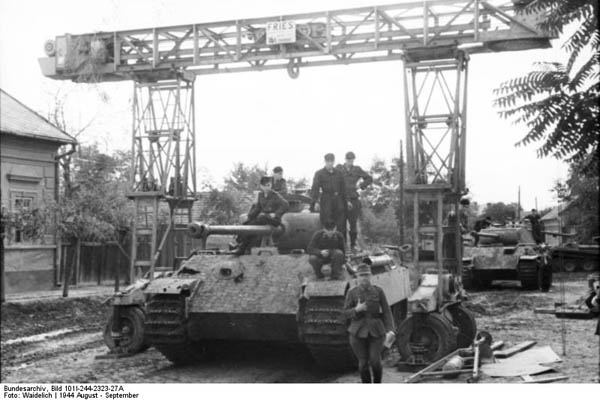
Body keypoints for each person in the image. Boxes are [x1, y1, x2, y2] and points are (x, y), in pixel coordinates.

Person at [344, 263, 395, 383]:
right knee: (363, 363)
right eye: (361, 275)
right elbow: (344, 313)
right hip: (357, 332)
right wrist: (356, 310)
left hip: (376, 331)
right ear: (357, 277)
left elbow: (387, 311)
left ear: (371, 276)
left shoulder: (378, 291)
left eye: (366, 275)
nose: (364, 278)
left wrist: (391, 329)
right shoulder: (352, 293)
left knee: (375, 361)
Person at [233, 176, 289, 256]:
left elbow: (285, 205)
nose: (268, 187)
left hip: (273, 220)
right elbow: (258, 208)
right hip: (262, 219)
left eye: (269, 185)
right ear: (262, 186)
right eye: (266, 185)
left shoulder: (275, 195)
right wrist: (249, 216)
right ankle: (242, 246)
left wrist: (276, 214)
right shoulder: (261, 195)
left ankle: (241, 247)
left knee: (260, 218)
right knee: (247, 224)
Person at [337, 151, 372, 251]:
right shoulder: (339, 168)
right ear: (345, 160)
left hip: (353, 199)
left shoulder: (357, 169)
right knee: (341, 225)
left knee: (353, 225)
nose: (350, 162)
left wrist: (361, 185)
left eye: (352, 160)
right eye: (348, 160)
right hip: (341, 200)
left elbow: (369, 178)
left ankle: (353, 245)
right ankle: (342, 247)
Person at [311, 153, 346, 237]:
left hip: (338, 200)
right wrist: (315, 201)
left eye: (331, 161)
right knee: (327, 222)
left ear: (334, 162)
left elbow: (344, 188)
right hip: (326, 199)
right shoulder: (319, 173)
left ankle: (341, 246)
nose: (330, 163)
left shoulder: (339, 173)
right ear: (325, 162)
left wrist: (346, 201)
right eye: (328, 161)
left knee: (340, 223)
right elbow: (315, 188)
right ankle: (327, 245)